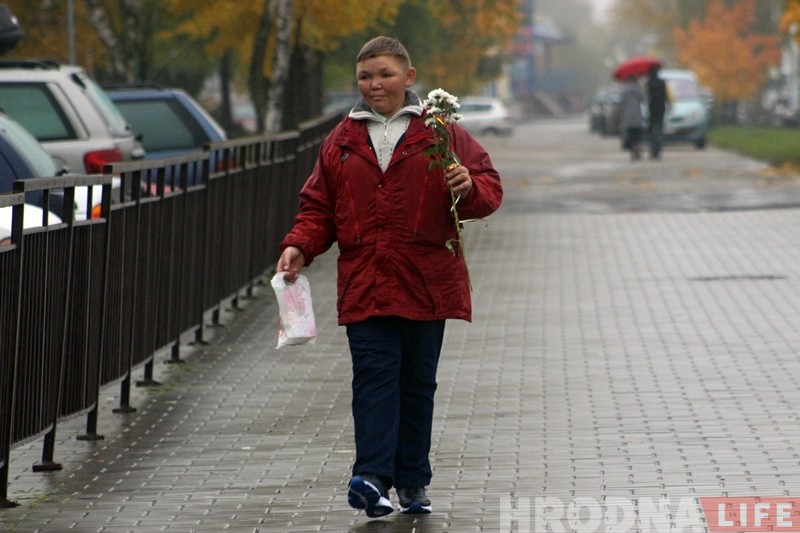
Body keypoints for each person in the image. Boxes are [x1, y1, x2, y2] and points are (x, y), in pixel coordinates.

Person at [275, 36, 503, 518]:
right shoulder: (341, 140)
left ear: (409, 77)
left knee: (417, 384)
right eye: (365, 76)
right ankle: (372, 478)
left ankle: (413, 483)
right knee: (375, 378)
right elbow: (319, 206)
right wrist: (299, 245)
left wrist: (469, 184)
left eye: (384, 74)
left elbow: (487, 189)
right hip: (367, 281)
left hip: (426, 279)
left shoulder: (441, 132)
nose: (374, 84)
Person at [618, 74, 646, 161]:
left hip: (627, 115)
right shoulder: (638, 89)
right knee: (637, 134)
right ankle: (637, 147)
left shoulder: (624, 90)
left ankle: (632, 150)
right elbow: (643, 99)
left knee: (630, 134)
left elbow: (621, 102)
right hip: (637, 114)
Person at [646, 64, 668, 159]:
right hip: (661, 108)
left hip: (652, 109)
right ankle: (658, 150)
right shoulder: (662, 82)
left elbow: (647, 96)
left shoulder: (649, 83)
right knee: (659, 130)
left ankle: (652, 149)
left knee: (651, 130)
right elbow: (666, 96)